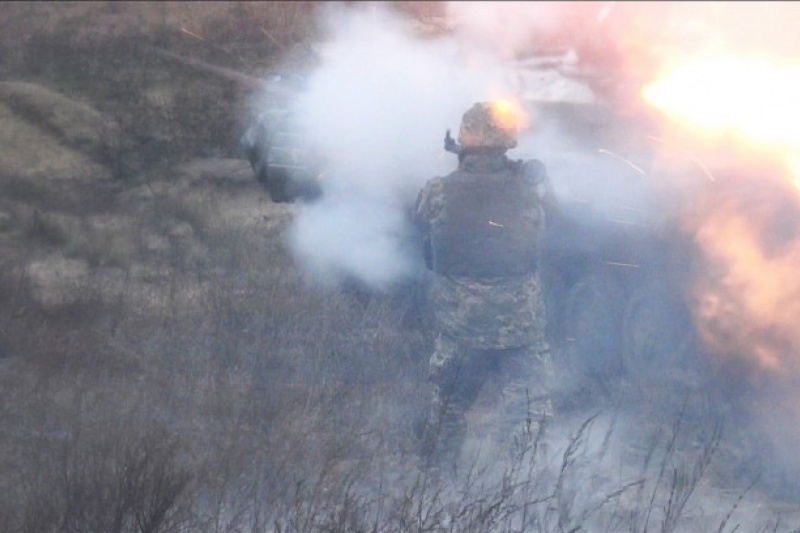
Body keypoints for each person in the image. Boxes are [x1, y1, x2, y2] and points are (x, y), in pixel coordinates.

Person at [414, 101, 555, 470]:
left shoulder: (438, 190)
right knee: (528, 411)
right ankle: (519, 488)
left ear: (463, 140)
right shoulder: (531, 189)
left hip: (460, 326)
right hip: (519, 327)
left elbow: (421, 221)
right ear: (508, 141)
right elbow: (553, 223)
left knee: (447, 410)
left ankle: (433, 490)